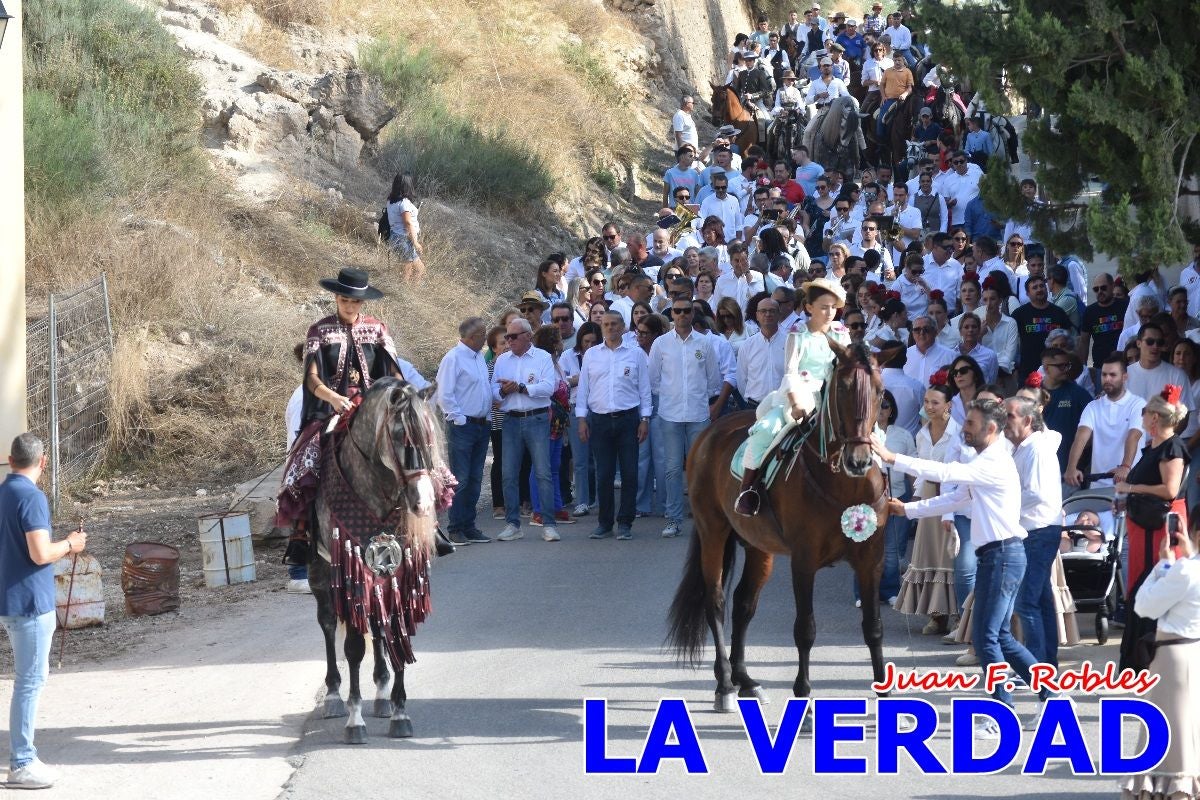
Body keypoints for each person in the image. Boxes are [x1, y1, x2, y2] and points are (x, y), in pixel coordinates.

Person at [875, 399, 1061, 736]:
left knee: (986, 636)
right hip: (997, 556)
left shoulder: (993, 461)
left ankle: (1002, 713)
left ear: (991, 429)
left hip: (1003, 556)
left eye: (971, 424)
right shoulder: (985, 460)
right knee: (999, 636)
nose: (964, 428)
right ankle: (1051, 696)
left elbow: (946, 473)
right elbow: (957, 498)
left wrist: (892, 458)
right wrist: (910, 510)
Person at [277, 268, 403, 563]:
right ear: (336, 297)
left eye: (355, 302)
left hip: (373, 404)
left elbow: (394, 371)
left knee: (411, 448)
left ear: (363, 303)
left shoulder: (378, 329)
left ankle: (427, 523)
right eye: (345, 300)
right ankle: (302, 529)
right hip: (329, 406)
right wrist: (333, 397)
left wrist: (396, 396)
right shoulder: (319, 330)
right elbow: (311, 378)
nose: (349, 306)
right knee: (305, 457)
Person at [1, 434, 88, 791]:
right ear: (44, 461)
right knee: (30, 681)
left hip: (10, 600)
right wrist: (71, 544)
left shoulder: (3, 493)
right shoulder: (32, 498)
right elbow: (39, 553)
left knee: (28, 678)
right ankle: (22, 761)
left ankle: (25, 757)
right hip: (31, 603)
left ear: (9, 459)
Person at [733, 278, 850, 516]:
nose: (829, 312)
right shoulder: (798, 333)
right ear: (809, 307)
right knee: (766, 428)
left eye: (833, 307)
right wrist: (796, 402)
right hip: (801, 394)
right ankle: (748, 490)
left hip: (833, 399)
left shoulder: (841, 332)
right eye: (823, 307)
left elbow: (848, 368)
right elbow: (791, 371)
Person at [1119, 520, 1200, 800]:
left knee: (1170, 728)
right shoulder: (1188, 568)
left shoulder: (1186, 570)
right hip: (1192, 650)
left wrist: (1165, 565)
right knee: (1189, 726)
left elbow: (1144, 606)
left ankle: (1177, 790)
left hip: (1175, 655)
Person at [1117, 388, 1191, 671]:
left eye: (1145, 412)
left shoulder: (1171, 448)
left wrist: (1130, 488)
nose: (1142, 416)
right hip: (1145, 528)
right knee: (1143, 589)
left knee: (1153, 588)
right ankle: (1139, 660)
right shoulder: (1157, 448)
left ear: (1155, 418)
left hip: (1158, 532)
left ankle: (1150, 660)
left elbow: (1170, 490)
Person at [650, 297, 725, 538]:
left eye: (686, 311)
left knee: (699, 468)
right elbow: (653, 379)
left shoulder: (705, 343)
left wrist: (696, 397)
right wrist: (672, 395)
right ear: (671, 313)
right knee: (672, 468)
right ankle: (673, 518)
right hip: (670, 414)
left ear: (693, 314)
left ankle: (702, 517)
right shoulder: (660, 344)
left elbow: (714, 380)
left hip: (698, 413)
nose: (682, 315)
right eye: (677, 311)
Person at [577, 312, 652, 541]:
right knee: (604, 474)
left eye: (614, 324)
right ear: (601, 327)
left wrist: (645, 419)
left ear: (623, 327)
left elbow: (644, 389)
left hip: (628, 419)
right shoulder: (591, 355)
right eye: (606, 324)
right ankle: (605, 523)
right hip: (599, 420)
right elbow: (583, 389)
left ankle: (626, 522)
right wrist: (581, 419)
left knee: (630, 473)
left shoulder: (636, 354)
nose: (610, 328)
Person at [891, 382, 959, 631]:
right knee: (928, 553)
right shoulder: (921, 434)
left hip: (952, 496)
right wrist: (917, 501)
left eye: (935, 402)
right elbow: (919, 469)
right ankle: (937, 614)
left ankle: (958, 617)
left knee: (951, 556)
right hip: (928, 496)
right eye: (927, 402)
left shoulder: (960, 433)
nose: (929, 407)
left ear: (948, 405)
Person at [1005, 396, 1064, 668]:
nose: (1002, 422)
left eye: (1009, 416)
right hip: (1036, 529)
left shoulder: (1036, 449)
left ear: (1028, 421)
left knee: (1026, 602)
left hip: (1037, 530)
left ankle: (1037, 667)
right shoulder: (1024, 447)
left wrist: (1003, 508)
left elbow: (1036, 494)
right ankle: (1045, 664)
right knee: (1039, 599)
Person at [492, 318, 562, 543]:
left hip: (537, 418)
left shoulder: (542, 358)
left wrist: (520, 387)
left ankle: (548, 524)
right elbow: (493, 391)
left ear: (527, 336)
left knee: (543, 471)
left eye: (513, 336)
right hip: (511, 420)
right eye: (507, 337)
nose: (509, 341)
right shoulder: (502, 360)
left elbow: (548, 388)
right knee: (509, 473)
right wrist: (503, 392)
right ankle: (513, 524)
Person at [435, 317, 494, 546]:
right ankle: (455, 527)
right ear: (472, 337)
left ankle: (469, 525)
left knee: (476, 477)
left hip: (481, 424)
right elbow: (444, 394)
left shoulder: (479, 357)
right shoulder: (453, 358)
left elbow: (483, 389)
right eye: (482, 334)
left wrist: (487, 415)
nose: (485, 337)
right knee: (461, 479)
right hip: (463, 426)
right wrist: (458, 419)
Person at [1064, 353, 1145, 490]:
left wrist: (1125, 466)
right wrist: (1071, 468)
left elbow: (1134, 436)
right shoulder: (1092, 406)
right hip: (1098, 484)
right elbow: (1081, 437)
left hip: (1130, 485)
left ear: (1125, 377)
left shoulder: (1138, 404)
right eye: (1104, 375)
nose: (1107, 379)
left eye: (1113, 375)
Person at [561, 321, 600, 517]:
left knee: (598, 457)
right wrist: (577, 379)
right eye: (586, 341)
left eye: (594, 342)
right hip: (576, 408)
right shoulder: (568, 356)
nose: (590, 346)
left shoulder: (602, 355)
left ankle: (597, 498)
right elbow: (561, 382)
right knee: (580, 458)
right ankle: (582, 500)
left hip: (599, 408)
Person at [1039, 347, 1093, 472]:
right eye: (1060, 366)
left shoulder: (1078, 393)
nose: (1066, 370)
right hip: (1040, 466)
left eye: (1067, 365)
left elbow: (1095, 424)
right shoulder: (1032, 393)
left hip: (1069, 468)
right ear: (1046, 368)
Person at [1010, 274, 1072, 380]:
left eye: (1041, 286)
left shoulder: (1059, 312)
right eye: (1034, 287)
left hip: (1056, 369)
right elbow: (1011, 342)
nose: (1039, 289)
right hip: (1028, 370)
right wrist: (1014, 366)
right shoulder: (1019, 314)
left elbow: (1069, 341)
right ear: (1027, 293)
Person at [736, 298, 787, 409]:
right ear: (757, 315)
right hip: (754, 407)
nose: (768, 314)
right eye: (763, 311)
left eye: (772, 311)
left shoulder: (790, 342)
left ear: (779, 314)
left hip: (783, 406)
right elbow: (741, 380)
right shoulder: (747, 346)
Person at [1078, 272, 1128, 368]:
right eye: (1096, 289)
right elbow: (1084, 341)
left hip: (1124, 364)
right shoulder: (1090, 311)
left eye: (1103, 288)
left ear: (1112, 286)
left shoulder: (1125, 306)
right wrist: (1083, 367)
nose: (1100, 291)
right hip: (1100, 366)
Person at [385, 173, 425, 280]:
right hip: (403, 239)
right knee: (410, 272)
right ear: (408, 185)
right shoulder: (404, 203)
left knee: (416, 269)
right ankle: (407, 293)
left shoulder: (391, 200)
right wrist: (416, 243)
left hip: (396, 237)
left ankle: (409, 292)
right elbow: (407, 222)